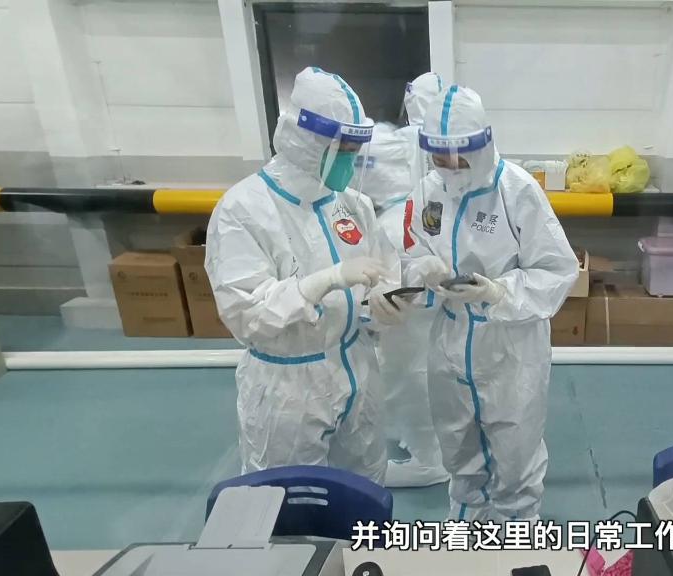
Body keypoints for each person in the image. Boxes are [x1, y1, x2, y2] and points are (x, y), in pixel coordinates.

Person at [205, 67, 406, 483]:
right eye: (343, 149)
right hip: (289, 385)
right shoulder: (243, 209)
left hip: (356, 366)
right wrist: (324, 281)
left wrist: (385, 299)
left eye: (355, 149)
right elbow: (245, 313)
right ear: (308, 142)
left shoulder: (351, 203)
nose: (350, 159)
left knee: (365, 486)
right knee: (290, 497)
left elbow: (383, 267)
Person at [403, 85, 578, 520]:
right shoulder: (428, 191)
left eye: (458, 157)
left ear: (481, 145)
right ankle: (466, 533)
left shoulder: (516, 191)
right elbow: (410, 251)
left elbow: (558, 270)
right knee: (458, 449)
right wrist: (422, 270)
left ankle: (515, 537)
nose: (449, 167)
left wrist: (498, 292)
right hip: (449, 339)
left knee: (514, 455)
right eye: (439, 157)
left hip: (509, 346)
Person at [362, 72, 451, 487]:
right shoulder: (411, 145)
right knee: (408, 365)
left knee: (411, 368)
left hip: (410, 248)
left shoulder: (394, 144)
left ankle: (429, 458)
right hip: (419, 248)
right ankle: (419, 439)